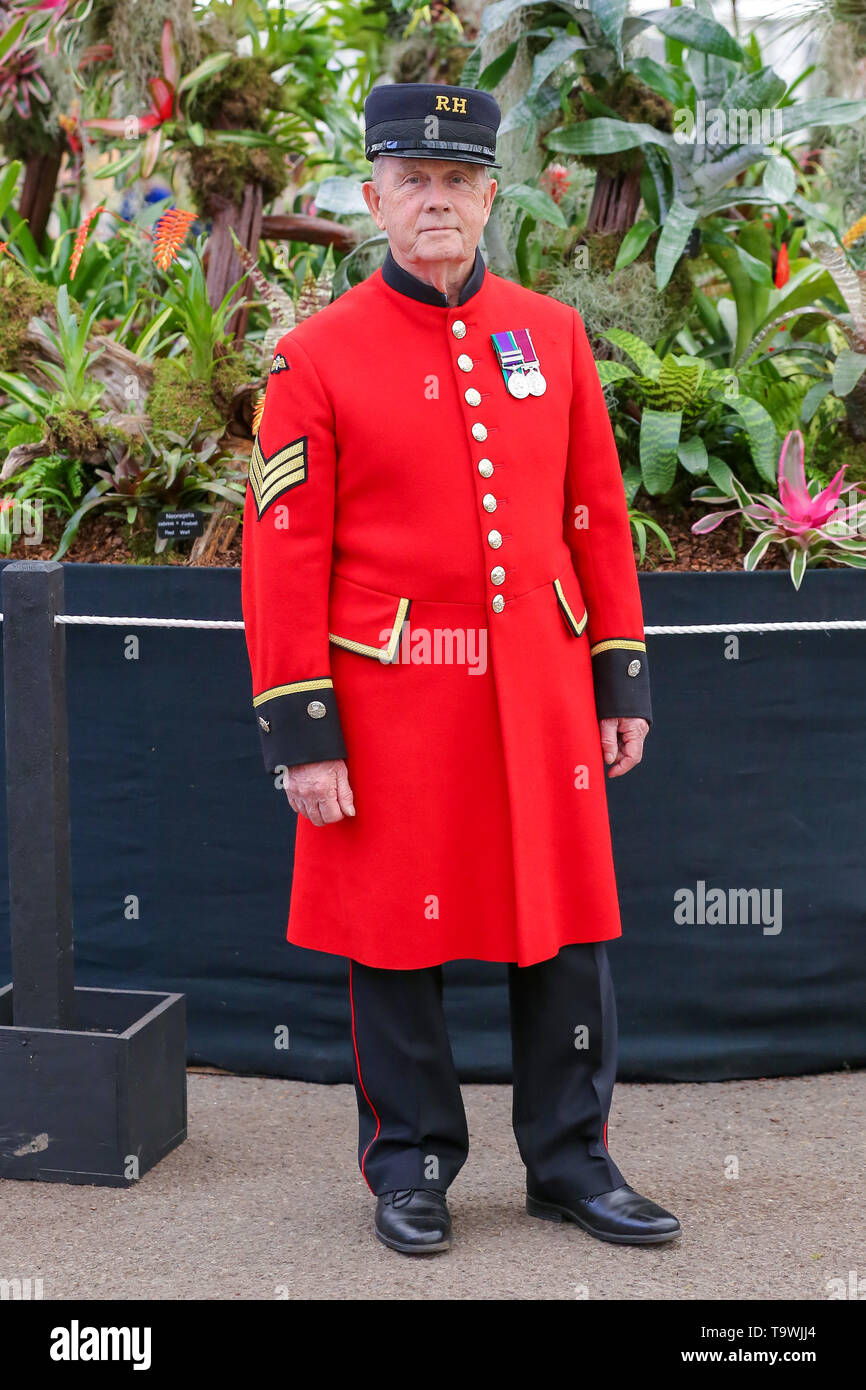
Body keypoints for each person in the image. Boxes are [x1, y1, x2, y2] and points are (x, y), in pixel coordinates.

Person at [241, 82, 681, 1255]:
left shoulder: (553, 333)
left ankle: (572, 1161)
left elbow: (596, 514)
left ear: (490, 195)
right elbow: (281, 558)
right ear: (374, 197)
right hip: (389, 701)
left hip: (539, 689)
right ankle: (412, 1166)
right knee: (393, 937)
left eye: (457, 183)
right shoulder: (313, 357)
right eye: (412, 183)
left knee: (568, 930)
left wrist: (617, 678)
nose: (435, 203)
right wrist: (303, 730)